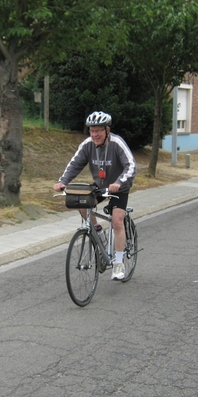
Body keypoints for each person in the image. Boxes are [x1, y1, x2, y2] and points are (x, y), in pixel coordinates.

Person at [54, 111, 137, 281]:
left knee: (117, 221)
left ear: (107, 130)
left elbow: (131, 166)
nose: (94, 134)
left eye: (98, 130)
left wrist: (119, 182)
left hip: (119, 188)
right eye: (92, 130)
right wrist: (63, 181)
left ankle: (119, 263)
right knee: (82, 205)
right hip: (100, 186)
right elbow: (75, 164)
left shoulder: (117, 143)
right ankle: (98, 232)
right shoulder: (87, 145)